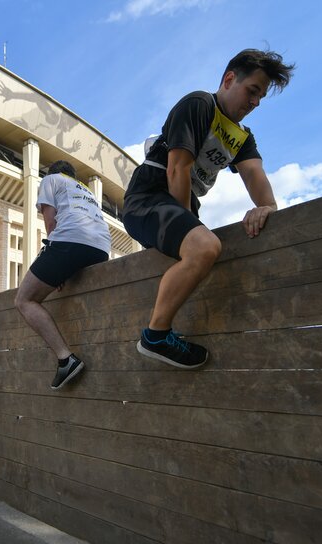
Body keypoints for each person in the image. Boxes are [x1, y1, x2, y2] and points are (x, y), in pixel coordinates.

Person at [122, 48, 295, 369]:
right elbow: (177, 170)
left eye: (260, 98)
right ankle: (155, 336)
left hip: (182, 202)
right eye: (251, 91)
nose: (254, 103)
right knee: (205, 247)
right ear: (229, 79)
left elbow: (254, 173)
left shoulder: (242, 137)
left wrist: (268, 206)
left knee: (208, 253)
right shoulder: (200, 104)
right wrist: (195, 236)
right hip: (149, 196)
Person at [15, 161, 111, 389]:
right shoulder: (85, 191)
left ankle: (65, 358)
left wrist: (55, 268)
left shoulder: (51, 180)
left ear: (53, 172)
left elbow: (51, 222)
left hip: (70, 241)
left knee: (24, 299)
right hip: (100, 248)